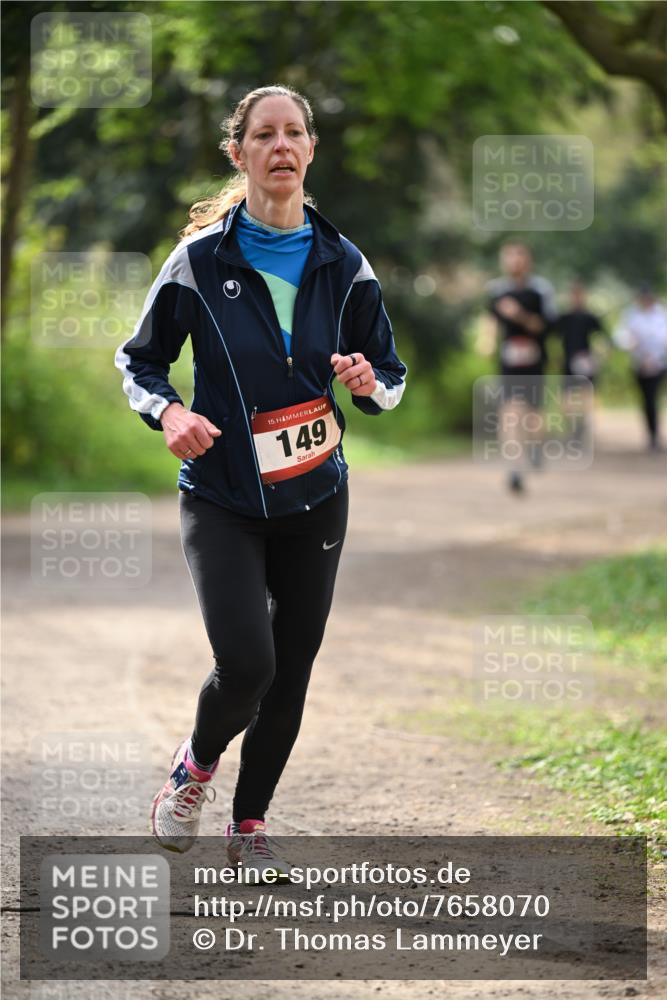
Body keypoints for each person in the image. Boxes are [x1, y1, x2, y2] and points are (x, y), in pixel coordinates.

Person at [115, 85, 407, 877]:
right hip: (222, 497)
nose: (279, 146)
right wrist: (170, 413)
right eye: (263, 135)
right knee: (249, 661)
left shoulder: (344, 263)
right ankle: (196, 769)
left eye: (293, 133)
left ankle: (250, 826)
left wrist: (362, 380)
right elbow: (138, 361)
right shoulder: (200, 261)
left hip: (316, 494)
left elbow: (390, 376)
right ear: (239, 153)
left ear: (310, 150)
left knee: (293, 664)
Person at [485, 242, 557, 493]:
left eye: (519, 257)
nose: (514, 262)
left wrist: (518, 315)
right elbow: (491, 321)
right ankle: (514, 467)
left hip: (535, 361)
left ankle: (536, 448)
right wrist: (486, 342)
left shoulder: (540, 291)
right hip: (509, 362)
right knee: (510, 412)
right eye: (509, 257)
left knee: (533, 416)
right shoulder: (496, 291)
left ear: (528, 261)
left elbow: (545, 327)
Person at [614, 285, 667, 452]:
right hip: (639, 363)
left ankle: (654, 434)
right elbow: (621, 336)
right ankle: (651, 433)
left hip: (658, 363)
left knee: (652, 397)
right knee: (646, 399)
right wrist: (631, 342)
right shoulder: (632, 315)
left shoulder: (661, 314)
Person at [554, 280, 607, 443]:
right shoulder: (564, 318)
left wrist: (599, 356)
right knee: (567, 399)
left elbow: (602, 338)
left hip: (586, 362)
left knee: (586, 396)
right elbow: (553, 338)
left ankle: (584, 427)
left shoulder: (590, 317)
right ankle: (574, 428)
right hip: (568, 362)